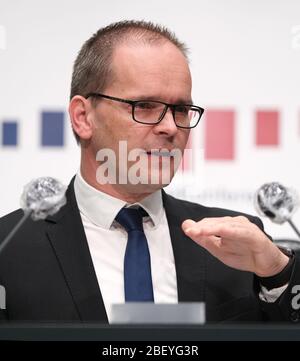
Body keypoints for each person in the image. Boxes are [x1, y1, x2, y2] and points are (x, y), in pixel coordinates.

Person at [0, 20, 298, 323]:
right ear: (83, 117)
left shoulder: (239, 246)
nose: (170, 127)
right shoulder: (8, 249)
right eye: (144, 105)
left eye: (181, 110)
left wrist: (278, 274)